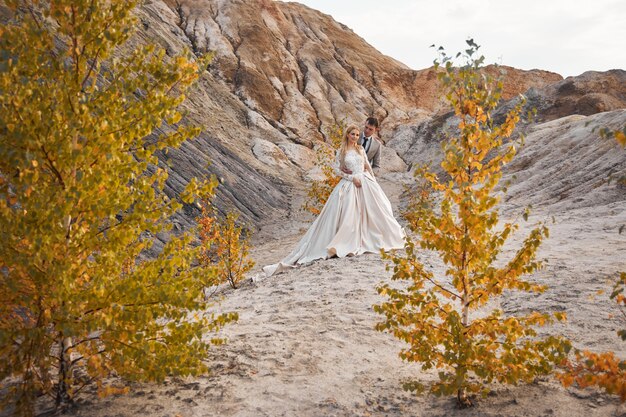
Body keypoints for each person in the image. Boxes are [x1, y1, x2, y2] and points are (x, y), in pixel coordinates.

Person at [262, 125, 405, 277]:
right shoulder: (342, 151)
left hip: (365, 182)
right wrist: (351, 178)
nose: (355, 137)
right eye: (352, 134)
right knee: (347, 214)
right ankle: (345, 241)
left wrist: (373, 182)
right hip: (350, 184)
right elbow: (337, 169)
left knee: (378, 209)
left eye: (357, 135)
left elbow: (367, 166)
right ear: (347, 135)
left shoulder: (360, 150)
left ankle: (373, 238)